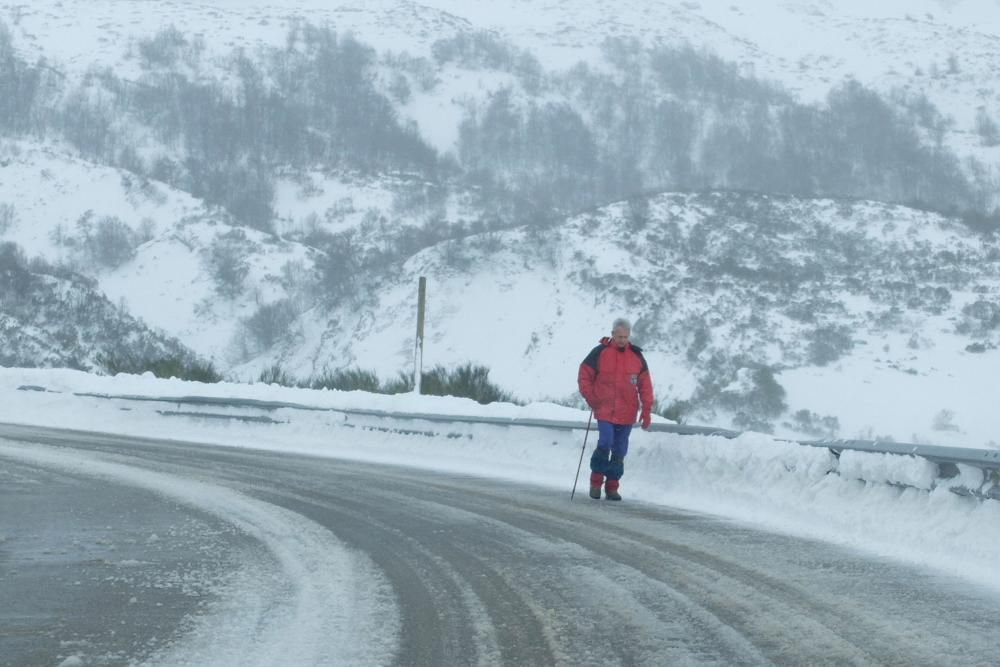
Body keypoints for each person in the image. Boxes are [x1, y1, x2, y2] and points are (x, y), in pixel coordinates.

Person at [577, 318, 654, 501]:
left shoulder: (637, 357)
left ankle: (612, 487)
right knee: (605, 441)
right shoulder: (599, 353)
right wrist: (592, 398)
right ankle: (595, 482)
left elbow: (645, 386)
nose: (622, 340)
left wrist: (646, 410)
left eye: (625, 337)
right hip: (604, 409)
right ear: (612, 334)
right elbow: (584, 376)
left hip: (627, 413)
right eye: (619, 336)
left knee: (620, 449)